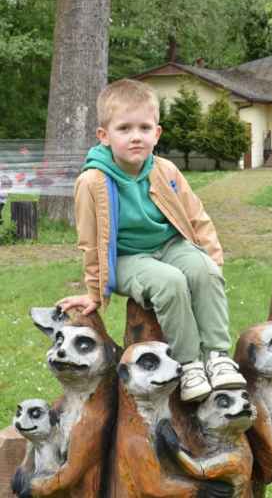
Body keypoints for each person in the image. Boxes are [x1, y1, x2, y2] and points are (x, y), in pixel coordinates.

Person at [58, 79, 246, 402]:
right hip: (128, 258)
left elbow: (196, 215)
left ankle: (217, 356)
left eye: (144, 128)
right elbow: (89, 241)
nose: (136, 136)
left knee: (204, 271)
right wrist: (95, 291)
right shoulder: (92, 182)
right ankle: (189, 364)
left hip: (170, 245)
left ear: (156, 133)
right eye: (124, 128)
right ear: (104, 135)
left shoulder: (165, 170)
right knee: (170, 282)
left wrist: (211, 258)